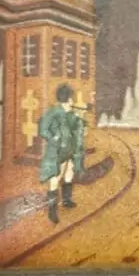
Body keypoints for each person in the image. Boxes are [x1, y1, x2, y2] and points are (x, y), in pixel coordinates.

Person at [38, 83, 86, 225]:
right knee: (55, 177)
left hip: (70, 149)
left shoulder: (71, 113)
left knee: (69, 173)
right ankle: (52, 211)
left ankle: (66, 200)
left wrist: (79, 118)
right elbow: (43, 130)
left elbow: (76, 128)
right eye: (71, 98)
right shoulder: (53, 112)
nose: (73, 101)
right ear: (68, 99)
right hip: (57, 151)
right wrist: (54, 138)